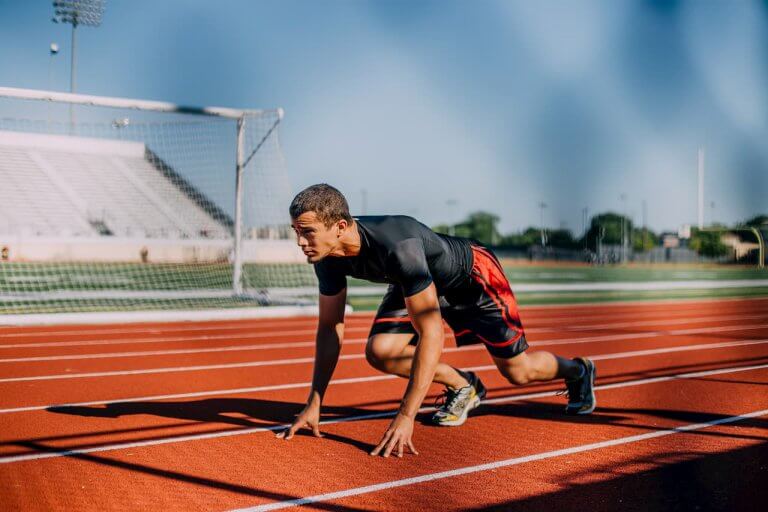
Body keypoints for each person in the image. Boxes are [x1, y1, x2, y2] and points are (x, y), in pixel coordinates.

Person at [277, 184, 595, 458]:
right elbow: (330, 327)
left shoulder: (397, 248)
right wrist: (315, 401)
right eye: (297, 232)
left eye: (307, 232)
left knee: (518, 371)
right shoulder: (325, 258)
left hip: (472, 277)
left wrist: (406, 415)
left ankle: (578, 371)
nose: (300, 242)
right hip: (416, 283)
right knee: (381, 351)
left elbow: (431, 332)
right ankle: (464, 385)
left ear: (341, 227)